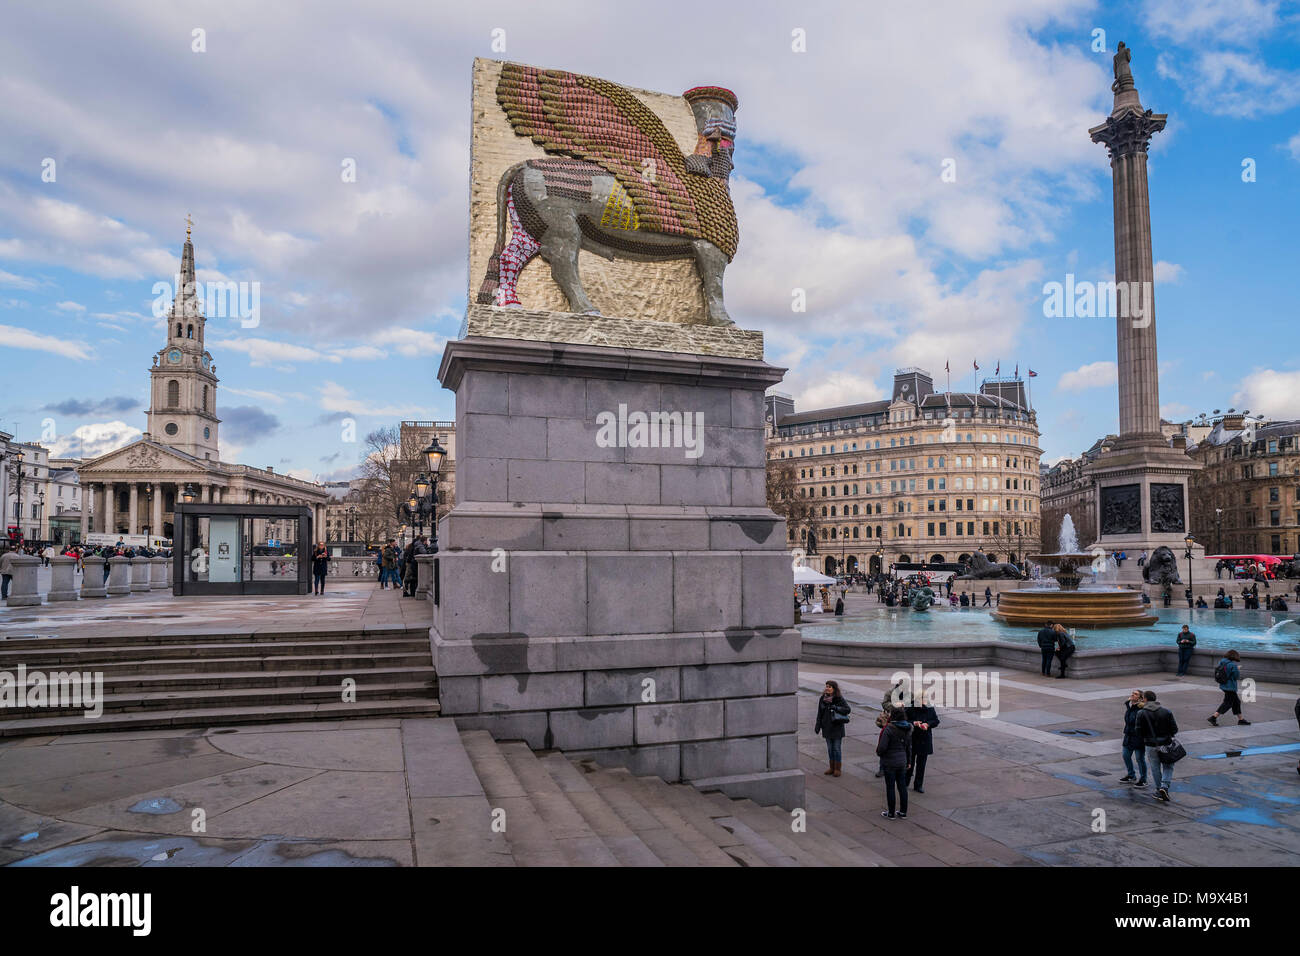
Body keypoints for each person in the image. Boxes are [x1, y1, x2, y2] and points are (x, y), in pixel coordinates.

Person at [1136, 690, 1179, 802]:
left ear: (1145, 699)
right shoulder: (1166, 711)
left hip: (1150, 744)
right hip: (1165, 743)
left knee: (1155, 767)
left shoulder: (1141, 713)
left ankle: (1159, 789)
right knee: (1168, 766)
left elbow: (1138, 731)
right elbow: (1174, 729)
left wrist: (1146, 738)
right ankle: (1164, 787)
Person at [876, 706, 913, 819]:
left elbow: (882, 747)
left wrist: (880, 754)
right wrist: (909, 761)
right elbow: (909, 747)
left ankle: (891, 813)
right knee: (902, 787)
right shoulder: (908, 728)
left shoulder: (889, 728)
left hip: (890, 762)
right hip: (902, 761)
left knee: (890, 787)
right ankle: (903, 812)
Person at [813, 681, 851, 777]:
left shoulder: (839, 699)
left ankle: (837, 769)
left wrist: (836, 707)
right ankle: (832, 768)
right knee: (830, 749)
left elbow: (847, 709)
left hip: (837, 727)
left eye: (829, 687)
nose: (827, 688)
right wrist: (818, 725)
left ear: (834, 689)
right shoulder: (823, 699)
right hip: (827, 727)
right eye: (826, 686)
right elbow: (819, 713)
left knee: (836, 749)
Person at [905, 691, 939, 793]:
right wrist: (914, 723)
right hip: (913, 738)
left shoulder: (929, 708)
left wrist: (927, 724)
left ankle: (918, 785)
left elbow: (936, 721)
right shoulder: (910, 708)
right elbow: (904, 721)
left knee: (921, 765)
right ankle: (906, 782)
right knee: (909, 763)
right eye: (922, 699)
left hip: (924, 739)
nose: (924, 701)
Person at [1208, 649, 1250, 726]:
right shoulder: (1232, 665)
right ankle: (1213, 717)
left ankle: (1241, 720)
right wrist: (1237, 669)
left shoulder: (1222, 661)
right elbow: (1235, 676)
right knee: (1227, 703)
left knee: (1236, 702)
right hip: (1230, 687)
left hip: (1223, 685)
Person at [1120, 689, 1148, 788]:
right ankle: (1131, 775)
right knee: (1125, 755)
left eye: (1135, 694)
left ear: (1140, 698)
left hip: (1138, 737)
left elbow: (1133, 720)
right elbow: (1127, 720)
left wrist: (1131, 706)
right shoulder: (1132, 707)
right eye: (1132, 693)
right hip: (1128, 735)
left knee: (1139, 759)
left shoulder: (1141, 709)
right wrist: (1128, 705)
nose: (1132, 695)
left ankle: (1143, 779)